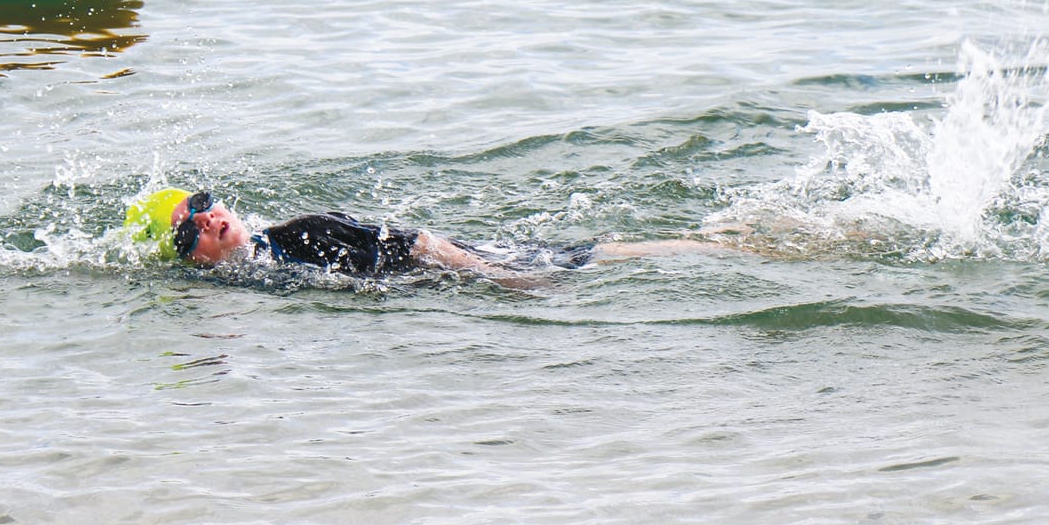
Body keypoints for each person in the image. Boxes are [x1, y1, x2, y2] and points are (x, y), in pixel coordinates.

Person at [124, 188, 740, 281]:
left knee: (589, 259)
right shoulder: (255, 273)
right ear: (188, 260)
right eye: (188, 233)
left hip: (469, 264)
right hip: (452, 278)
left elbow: (413, 241)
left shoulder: (300, 235)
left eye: (201, 204)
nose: (206, 220)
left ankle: (727, 244)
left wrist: (495, 277)